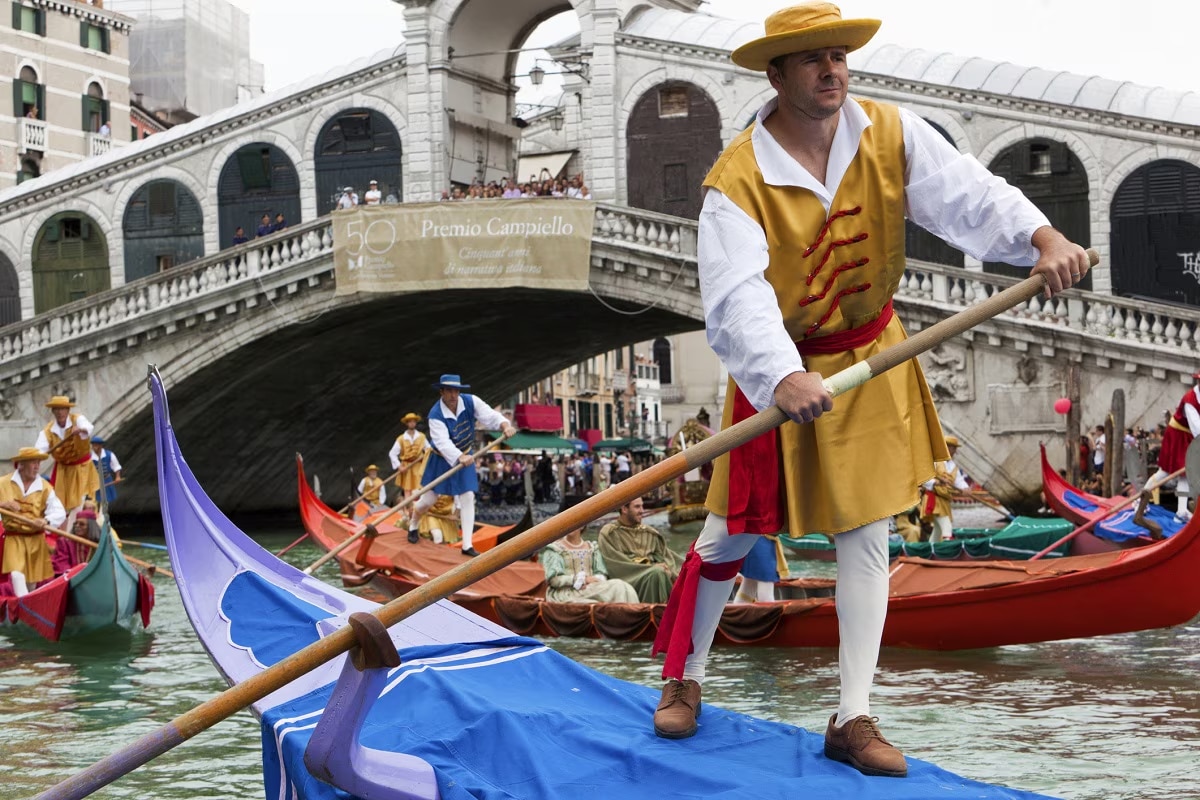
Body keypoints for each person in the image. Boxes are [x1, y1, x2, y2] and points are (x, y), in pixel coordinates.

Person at [646, 2, 1090, 774]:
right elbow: (736, 296)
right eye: (814, 59)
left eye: (840, 56)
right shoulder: (737, 180)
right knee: (730, 535)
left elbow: (969, 195)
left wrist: (1041, 237)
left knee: (867, 536)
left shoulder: (890, 131)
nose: (833, 70)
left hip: (872, 358)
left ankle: (852, 716)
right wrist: (782, 374)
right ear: (776, 75)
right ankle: (685, 676)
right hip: (781, 369)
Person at [407, 375, 516, 557]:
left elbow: (489, 415)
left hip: (466, 455)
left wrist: (505, 424)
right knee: (428, 501)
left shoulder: (471, 401)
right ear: (441, 391)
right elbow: (442, 443)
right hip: (441, 459)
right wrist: (459, 457)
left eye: (456, 390)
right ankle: (413, 524)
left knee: (467, 496)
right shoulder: (435, 415)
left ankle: (467, 545)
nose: (453, 395)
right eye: (449, 390)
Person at [0, 447, 67, 596]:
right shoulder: (3, 483)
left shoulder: (45, 488)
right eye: (33, 462)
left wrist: (45, 520)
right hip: (14, 538)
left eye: (38, 463)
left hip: (35, 539)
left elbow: (59, 512)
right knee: (17, 575)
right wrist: (3, 505)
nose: (37, 466)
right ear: (21, 465)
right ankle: (25, 605)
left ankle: (28, 608)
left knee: (32, 584)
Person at [597, 497, 683, 603]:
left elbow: (667, 556)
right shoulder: (610, 533)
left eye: (642, 506)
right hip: (629, 578)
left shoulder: (650, 533)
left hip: (656, 574)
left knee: (686, 574)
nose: (642, 511)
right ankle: (656, 616)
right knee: (657, 573)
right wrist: (650, 568)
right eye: (637, 507)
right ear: (624, 509)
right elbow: (616, 563)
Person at [1144, 370, 1200, 520]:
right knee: (1166, 472)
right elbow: (1197, 428)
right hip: (1177, 434)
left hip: (1188, 435)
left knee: (1185, 474)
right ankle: (1139, 500)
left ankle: (1181, 511)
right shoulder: (1190, 400)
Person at [34, 395, 99, 512]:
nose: (60, 412)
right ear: (53, 411)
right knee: (60, 505)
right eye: (57, 409)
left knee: (82, 502)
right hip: (62, 471)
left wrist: (80, 430)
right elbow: (38, 450)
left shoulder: (77, 419)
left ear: (68, 410)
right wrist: (38, 457)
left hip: (82, 469)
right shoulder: (48, 431)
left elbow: (88, 427)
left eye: (63, 409)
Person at [542, 527, 638, 604]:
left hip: (590, 589)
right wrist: (581, 580)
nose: (569, 526)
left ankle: (630, 619)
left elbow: (600, 572)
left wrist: (594, 580)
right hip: (566, 593)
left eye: (573, 523)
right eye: (566, 523)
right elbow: (553, 580)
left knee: (624, 587)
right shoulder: (555, 549)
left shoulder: (593, 548)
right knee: (618, 586)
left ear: (582, 525)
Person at [920, 435, 970, 543]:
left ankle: (930, 550)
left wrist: (965, 489)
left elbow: (959, 481)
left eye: (955, 448)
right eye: (953, 448)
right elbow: (924, 479)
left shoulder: (953, 466)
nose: (955, 451)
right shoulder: (934, 461)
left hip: (945, 500)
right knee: (947, 527)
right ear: (946, 447)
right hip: (935, 499)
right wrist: (936, 482)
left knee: (938, 530)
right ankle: (948, 551)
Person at [389, 412, 430, 510]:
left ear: (415, 423)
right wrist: (399, 466)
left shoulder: (421, 437)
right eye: (410, 422)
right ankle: (409, 510)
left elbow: (429, 450)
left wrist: (424, 456)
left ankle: (419, 509)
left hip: (418, 465)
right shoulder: (401, 439)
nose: (412, 423)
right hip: (406, 466)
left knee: (419, 488)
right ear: (407, 424)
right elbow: (392, 454)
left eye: (413, 422)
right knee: (407, 489)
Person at [734, 534, 788, 603]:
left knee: (749, 584)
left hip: (750, 539)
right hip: (761, 539)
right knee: (765, 589)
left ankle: (735, 612)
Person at [90, 435, 122, 506]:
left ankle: (104, 514)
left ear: (100, 445)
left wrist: (117, 477)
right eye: (93, 445)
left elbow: (116, 466)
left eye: (96, 445)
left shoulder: (109, 454)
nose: (94, 447)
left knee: (106, 501)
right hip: (94, 482)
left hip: (107, 479)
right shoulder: (89, 457)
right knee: (94, 501)